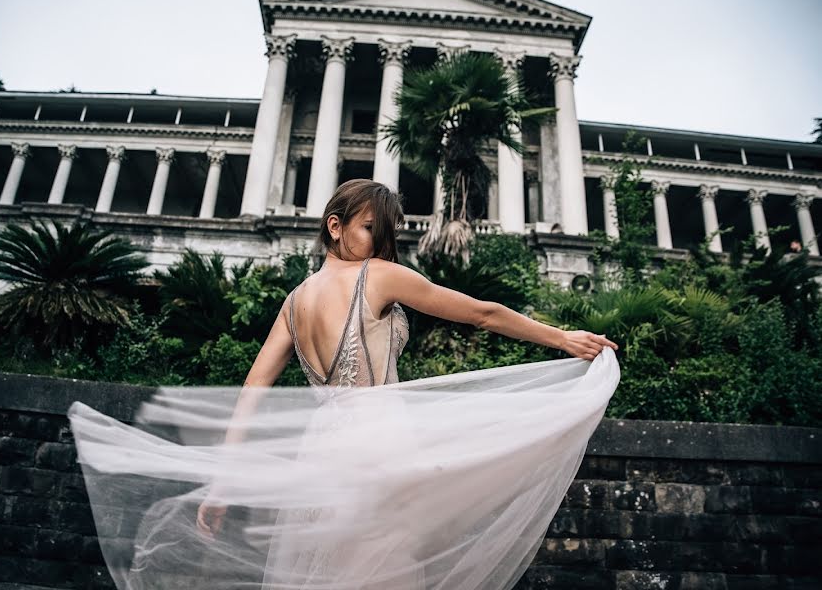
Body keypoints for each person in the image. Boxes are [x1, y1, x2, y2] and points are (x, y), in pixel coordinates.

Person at [68, 179, 620, 590]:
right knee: (385, 570)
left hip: (323, 447)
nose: (380, 245)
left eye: (385, 235)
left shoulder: (293, 302)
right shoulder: (377, 277)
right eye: (368, 229)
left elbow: (252, 388)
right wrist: (563, 338)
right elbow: (480, 313)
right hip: (378, 439)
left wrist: (221, 482)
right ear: (335, 226)